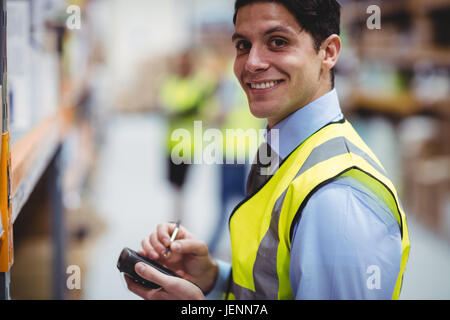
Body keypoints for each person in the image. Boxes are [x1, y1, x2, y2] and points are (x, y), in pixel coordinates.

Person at [125, 0, 410, 300]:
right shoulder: (284, 152)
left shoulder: (338, 201)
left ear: (328, 52)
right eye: (243, 45)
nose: (252, 63)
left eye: (278, 42)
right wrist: (215, 278)